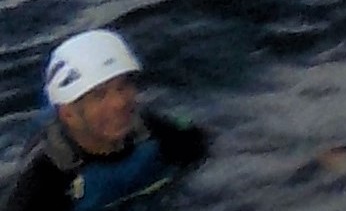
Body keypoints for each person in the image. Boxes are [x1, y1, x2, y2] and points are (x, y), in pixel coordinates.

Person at [8, 32, 208, 210]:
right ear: (68, 114)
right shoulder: (44, 179)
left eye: (123, 87)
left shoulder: (153, 130)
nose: (119, 103)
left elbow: (205, 153)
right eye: (99, 95)